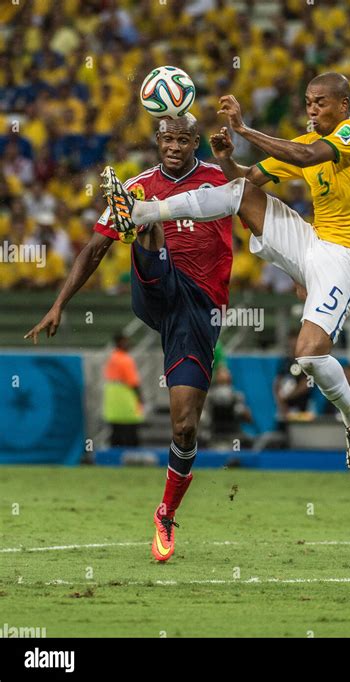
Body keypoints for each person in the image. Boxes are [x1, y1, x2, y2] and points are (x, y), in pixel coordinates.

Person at [102, 72, 350, 471]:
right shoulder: (304, 143)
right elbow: (243, 182)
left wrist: (243, 128)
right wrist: (226, 156)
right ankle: (144, 211)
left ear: (343, 105)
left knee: (309, 355)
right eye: (309, 100)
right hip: (313, 242)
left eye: (321, 102)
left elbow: (308, 157)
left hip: (348, 254)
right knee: (242, 195)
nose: (312, 108)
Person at [24, 113, 233, 563]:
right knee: (144, 218)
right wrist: (59, 302)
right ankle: (143, 225)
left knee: (185, 425)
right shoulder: (140, 183)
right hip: (155, 290)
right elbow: (94, 249)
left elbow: (261, 218)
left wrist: (297, 273)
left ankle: (165, 513)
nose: (174, 147)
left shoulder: (220, 178)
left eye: (182, 140)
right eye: (166, 139)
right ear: (158, 141)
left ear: (194, 141)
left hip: (197, 310)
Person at [103, 333, 144, 446]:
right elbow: (133, 382)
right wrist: (140, 398)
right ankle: (132, 458)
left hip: (112, 401)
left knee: (116, 432)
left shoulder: (112, 358)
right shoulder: (126, 360)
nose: (129, 344)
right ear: (121, 342)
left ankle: (113, 459)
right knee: (131, 433)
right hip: (126, 400)